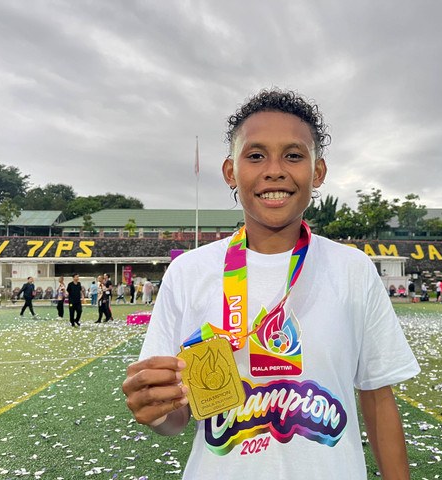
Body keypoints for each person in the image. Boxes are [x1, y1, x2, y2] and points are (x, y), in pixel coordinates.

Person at [121, 89, 420, 479]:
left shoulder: (353, 268)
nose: (274, 170)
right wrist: (156, 410)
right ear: (231, 171)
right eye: (256, 155)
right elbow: (177, 416)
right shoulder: (188, 272)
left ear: (318, 172)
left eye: (293, 155)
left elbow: (378, 399)